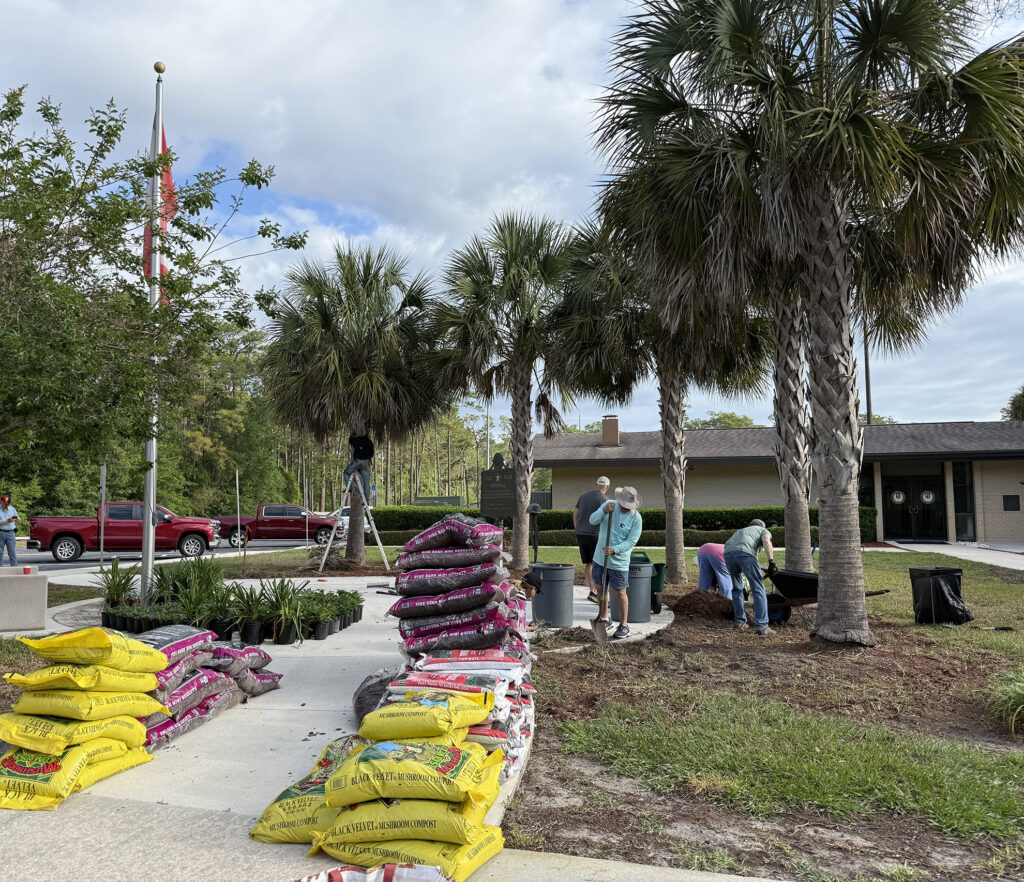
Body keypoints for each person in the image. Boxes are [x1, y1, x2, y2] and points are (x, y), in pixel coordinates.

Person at [589, 486, 643, 640]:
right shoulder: (609, 506)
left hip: (619, 562)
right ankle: (605, 618)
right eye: (624, 505)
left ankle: (624, 625)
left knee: (620, 592)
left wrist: (615, 549)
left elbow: (632, 541)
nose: (626, 509)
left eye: (629, 507)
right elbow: (592, 520)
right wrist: (603, 511)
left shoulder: (636, 518)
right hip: (600, 558)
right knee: (600, 588)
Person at [724, 518, 777, 636]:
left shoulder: (741, 531)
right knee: (758, 589)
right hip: (745, 554)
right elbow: (766, 541)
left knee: (737, 588)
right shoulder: (763, 530)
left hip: (728, 554)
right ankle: (763, 626)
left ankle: (739, 621)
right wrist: (771, 561)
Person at [573, 476, 610, 604]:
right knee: (598, 563)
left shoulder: (583, 496)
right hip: (595, 534)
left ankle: (592, 590)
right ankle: (598, 592)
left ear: (597, 484)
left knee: (589, 563)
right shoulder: (605, 499)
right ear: (607, 487)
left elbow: (575, 513)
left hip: (581, 534)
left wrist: (577, 527)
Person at [344, 434, 375, 504]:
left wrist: (353, 434)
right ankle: (366, 501)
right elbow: (372, 454)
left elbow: (350, 440)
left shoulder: (357, 440)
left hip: (357, 462)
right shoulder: (370, 442)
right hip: (366, 463)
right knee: (366, 483)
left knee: (346, 473)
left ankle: (351, 487)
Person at [0, 492, 21, 567]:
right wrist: (7, 521)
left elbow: (19, 521)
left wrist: (17, 520)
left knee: (12, 553)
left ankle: (14, 568)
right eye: (5, 503)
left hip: (11, 533)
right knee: (0, 552)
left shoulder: (12, 509)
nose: (7, 505)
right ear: (1, 501)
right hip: (1, 533)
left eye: (8, 503)